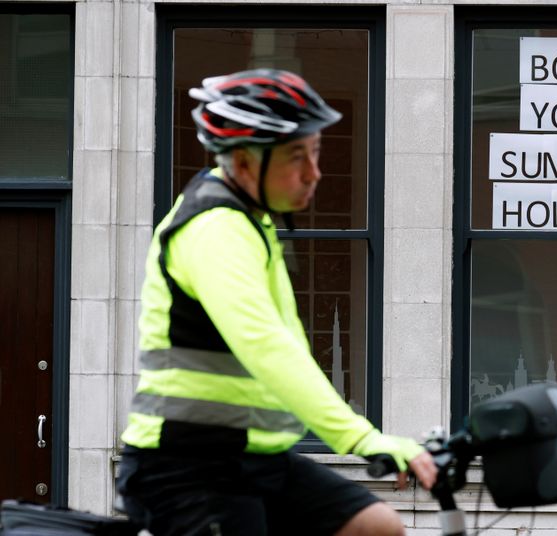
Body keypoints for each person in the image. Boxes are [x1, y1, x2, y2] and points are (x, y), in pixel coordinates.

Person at [116, 69, 437, 536]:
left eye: (316, 151)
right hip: (187, 468)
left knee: (375, 527)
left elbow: (285, 341)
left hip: (255, 457)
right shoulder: (215, 229)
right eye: (295, 157)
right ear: (244, 163)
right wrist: (361, 437)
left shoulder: (254, 223)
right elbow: (267, 346)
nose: (314, 173)